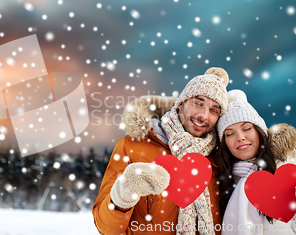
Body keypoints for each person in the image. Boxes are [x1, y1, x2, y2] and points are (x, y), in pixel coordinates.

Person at [93, 67, 230, 235]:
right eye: (198, 103)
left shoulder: (220, 156)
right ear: (180, 104)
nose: (203, 115)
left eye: (214, 110)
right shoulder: (131, 146)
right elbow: (106, 228)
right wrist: (123, 194)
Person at [216, 89, 296, 235]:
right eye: (230, 134)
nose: (240, 137)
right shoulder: (226, 186)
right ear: (224, 143)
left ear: (260, 132)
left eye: (247, 128)